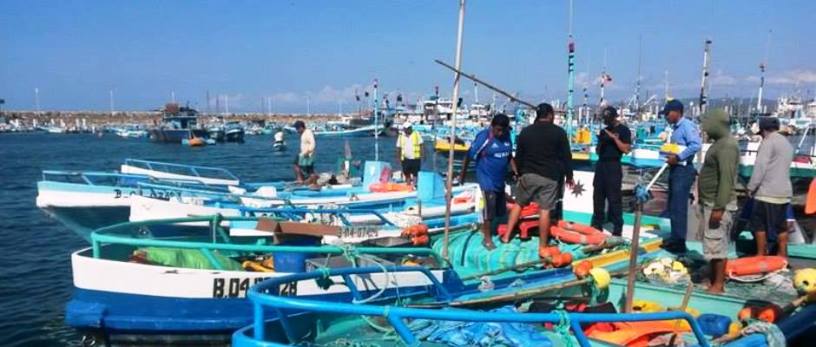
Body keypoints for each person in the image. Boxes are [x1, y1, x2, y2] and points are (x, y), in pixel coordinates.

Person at [504, 103, 574, 257]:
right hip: (549, 177)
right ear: (549, 115)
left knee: (519, 204)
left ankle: (506, 236)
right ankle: (542, 245)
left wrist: (519, 174)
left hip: (528, 175)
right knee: (545, 210)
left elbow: (519, 156)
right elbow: (566, 157)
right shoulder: (559, 132)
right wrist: (569, 176)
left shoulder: (526, 132)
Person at [458, 114, 517, 250]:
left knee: (500, 209)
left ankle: (490, 228)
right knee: (490, 205)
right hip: (486, 177)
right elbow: (469, 155)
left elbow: (509, 156)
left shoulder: (507, 137)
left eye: (503, 130)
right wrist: (462, 174)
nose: (500, 133)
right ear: (492, 127)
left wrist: (515, 171)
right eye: (498, 130)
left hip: (499, 178)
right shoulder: (484, 138)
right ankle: (487, 239)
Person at [697, 109, 739, 293]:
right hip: (710, 202)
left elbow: (726, 179)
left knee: (717, 246)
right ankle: (712, 278)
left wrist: (719, 207)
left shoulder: (727, 146)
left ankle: (718, 285)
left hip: (717, 204)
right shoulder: (719, 144)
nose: (704, 127)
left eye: (707, 122)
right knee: (712, 245)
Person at [746, 117, 794, 258]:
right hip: (784, 192)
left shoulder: (768, 143)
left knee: (759, 224)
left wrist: (751, 187)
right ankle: (782, 255)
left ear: (764, 130)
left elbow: (760, 168)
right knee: (781, 226)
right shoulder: (787, 144)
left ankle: (760, 254)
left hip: (767, 192)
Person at [661, 99, 702, 253]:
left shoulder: (686, 126)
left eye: (667, 113)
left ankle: (679, 242)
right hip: (675, 168)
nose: (666, 116)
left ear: (677, 112)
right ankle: (675, 237)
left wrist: (678, 157)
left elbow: (695, 145)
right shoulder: (675, 128)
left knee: (679, 205)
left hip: (683, 170)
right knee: (672, 204)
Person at [591, 106, 631, 236]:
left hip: (614, 165)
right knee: (598, 197)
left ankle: (617, 228)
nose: (606, 122)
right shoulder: (604, 131)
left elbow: (626, 149)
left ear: (614, 117)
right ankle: (597, 226)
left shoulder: (624, 130)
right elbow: (598, 151)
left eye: (608, 119)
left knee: (614, 198)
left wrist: (614, 138)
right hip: (601, 164)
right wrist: (601, 142)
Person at [396, 122, 423, 186]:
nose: (407, 130)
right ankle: (408, 184)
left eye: (409, 128)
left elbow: (421, 144)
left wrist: (423, 155)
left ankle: (415, 184)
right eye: (406, 128)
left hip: (415, 157)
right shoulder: (401, 136)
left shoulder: (416, 134)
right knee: (406, 171)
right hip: (405, 158)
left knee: (415, 172)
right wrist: (398, 157)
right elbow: (398, 147)